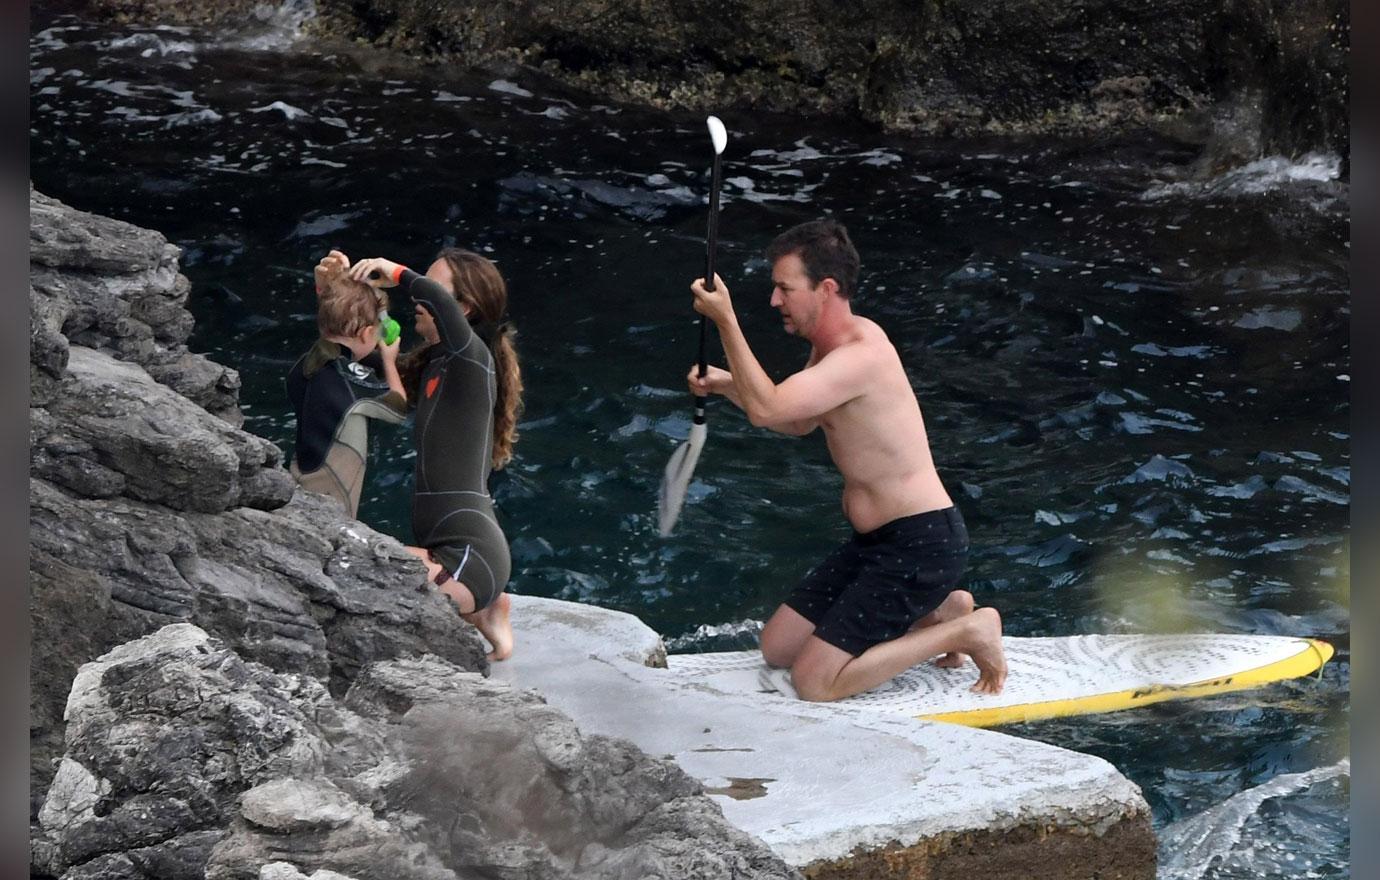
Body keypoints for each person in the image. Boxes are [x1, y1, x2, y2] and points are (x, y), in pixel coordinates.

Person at [685, 218, 1007, 702]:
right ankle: (943, 610)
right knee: (777, 647)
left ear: (826, 288)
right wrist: (729, 383)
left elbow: (768, 408)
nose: (775, 301)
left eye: (784, 289)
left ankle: (967, 630)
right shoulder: (828, 348)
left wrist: (726, 320)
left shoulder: (860, 355)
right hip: (878, 542)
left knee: (814, 683)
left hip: (920, 544)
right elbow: (795, 420)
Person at [347, 249, 522, 661]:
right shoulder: (437, 363)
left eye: (431, 289)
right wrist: (336, 288)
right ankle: (487, 609)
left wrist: (396, 271)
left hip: (470, 557)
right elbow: (364, 357)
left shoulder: (470, 357)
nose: (415, 300)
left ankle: (479, 599)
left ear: (462, 307)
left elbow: (430, 297)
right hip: (453, 551)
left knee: (360, 565)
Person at [286, 249, 407, 518]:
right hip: (331, 507)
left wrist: (333, 290)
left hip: (297, 486)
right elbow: (398, 407)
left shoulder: (306, 363)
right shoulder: (350, 379)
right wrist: (389, 360)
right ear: (366, 333)